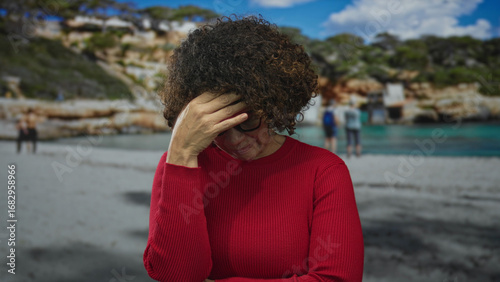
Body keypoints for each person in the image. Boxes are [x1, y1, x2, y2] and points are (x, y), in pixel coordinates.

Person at [143, 16, 364, 282]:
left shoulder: (324, 171)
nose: (235, 140)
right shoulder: (178, 164)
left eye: (247, 120)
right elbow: (176, 275)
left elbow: (338, 278)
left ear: (271, 107)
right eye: (218, 129)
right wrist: (181, 153)